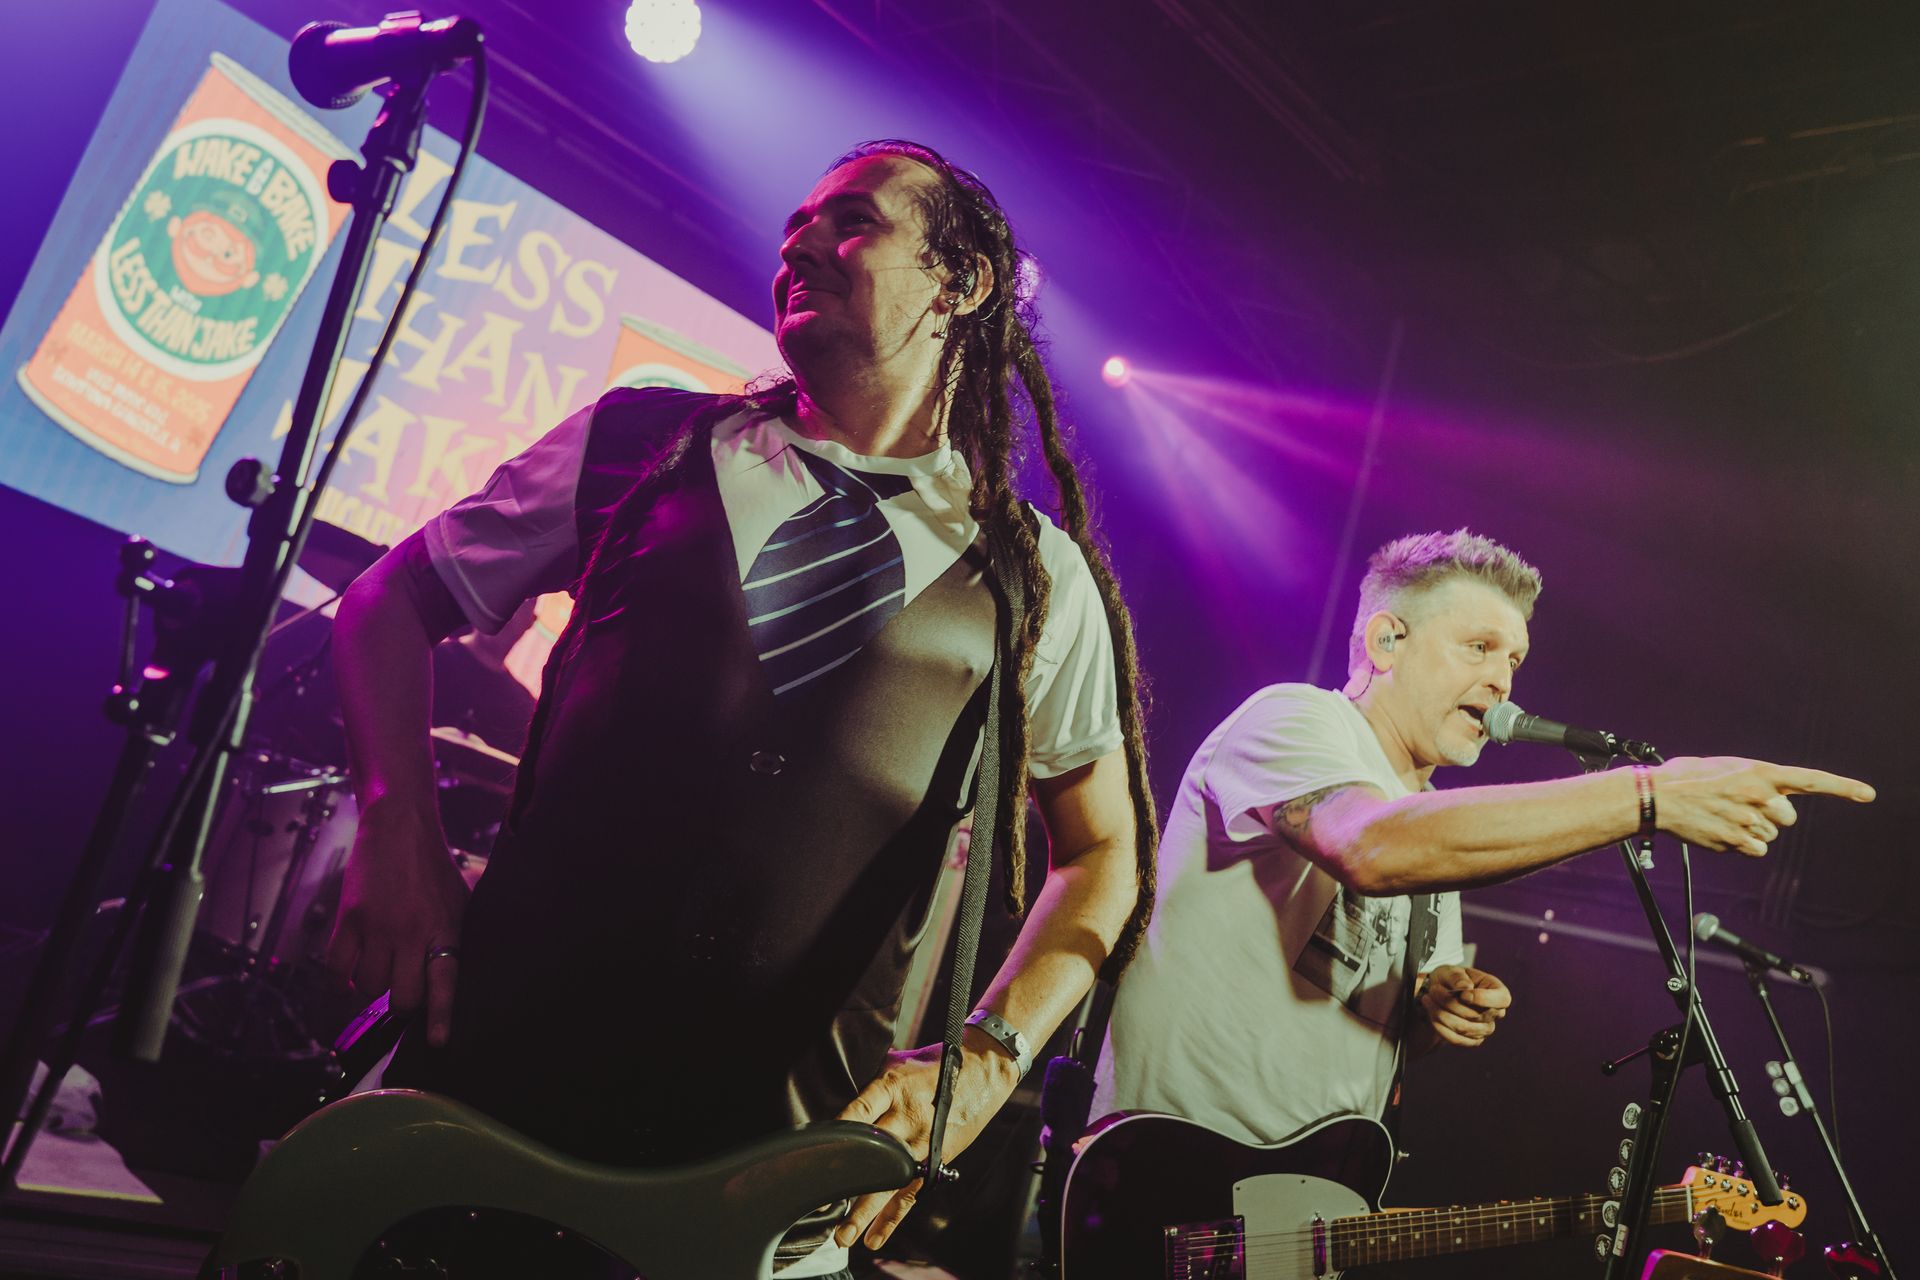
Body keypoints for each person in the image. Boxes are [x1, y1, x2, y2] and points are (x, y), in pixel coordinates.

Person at [325, 140, 1157, 1276]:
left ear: (961, 283)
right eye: (795, 226)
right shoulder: (638, 446)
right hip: (493, 1108)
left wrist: (988, 1058)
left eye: (852, 221)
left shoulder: (1037, 578)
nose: (801, 243)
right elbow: (384, 604)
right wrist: (398, 824)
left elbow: (1106, 855)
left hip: (773, 1191)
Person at [1091, 529, 1873, 1149]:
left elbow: (1389, 1009)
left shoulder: (1437, 824)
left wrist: (1434, 1006)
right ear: (1386, 642)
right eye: (1479, 648)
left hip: (1308, 1192)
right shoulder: (1294, 718)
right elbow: (1371, 848)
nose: (1504, 679)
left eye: (1515, 659)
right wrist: (1649, 794)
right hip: (1177, 1160)